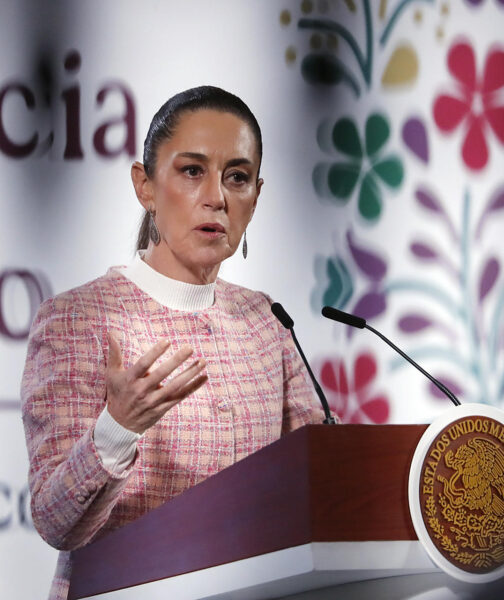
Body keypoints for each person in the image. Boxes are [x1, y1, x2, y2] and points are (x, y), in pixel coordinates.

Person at [21, 85, 327, 600]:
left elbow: (320, 476)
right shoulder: (76, 319)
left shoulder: (264, 320)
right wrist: (117, 428)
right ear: (145, 185)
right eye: (191, 171)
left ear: (256, 194)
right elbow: (56, 521)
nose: (217, 197)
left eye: (237, 176)